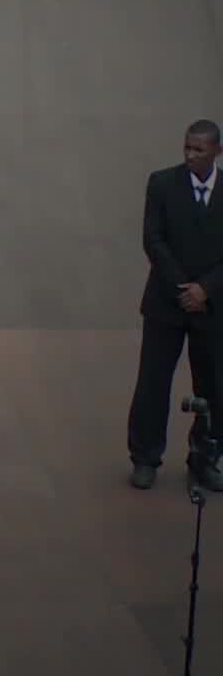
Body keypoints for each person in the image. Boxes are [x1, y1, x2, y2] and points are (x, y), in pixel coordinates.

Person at [128, 120, 223, 491]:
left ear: (216, 152)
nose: (190, 155)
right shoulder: (162, 184)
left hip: (212, 308)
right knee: (153, 383)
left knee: (213, 386)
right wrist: (184, 287)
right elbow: (153, 239)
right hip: (166, 303)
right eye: (187, 147)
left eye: (198, 149)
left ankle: (204, 458)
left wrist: (206, 290)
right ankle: (145, 458)